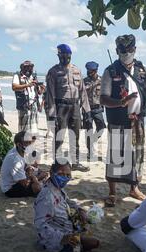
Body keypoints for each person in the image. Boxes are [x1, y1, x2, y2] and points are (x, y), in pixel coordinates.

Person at [100, 34, 146, 207]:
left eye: (129, 50)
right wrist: (121, 102)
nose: (126, 53)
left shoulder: (142, 70)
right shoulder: (110, 71)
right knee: (116, 156)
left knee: (137, 155)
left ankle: (134, 188)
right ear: (117, 51)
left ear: (135, 49)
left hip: (137, 120)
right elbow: (103, 99)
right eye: (122, 50)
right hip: (117, 120)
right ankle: (112, 191)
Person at [34, 159, 100, 252]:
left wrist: (80, 209)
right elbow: (40, 225)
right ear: (52, 173)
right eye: (61, 174)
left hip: (66, 226)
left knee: (85, 225)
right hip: (56, 238)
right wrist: (64, 238)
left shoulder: (56, 187)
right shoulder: (46, 196)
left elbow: (67, 200)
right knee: (93, 243)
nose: (64, 178)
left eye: (68, 175)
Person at [46, 44, 93, 172]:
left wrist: (87, 111)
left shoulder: (77, 70)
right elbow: (50, 94)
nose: (65, 58)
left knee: (75, 136)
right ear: (58, 56)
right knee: (59, 136)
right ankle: (57, 163)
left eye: (67, 56)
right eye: (62, 55)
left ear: (71, 56)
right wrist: (51, 114)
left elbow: (82, 92)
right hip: (61, 106)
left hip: (75, 107)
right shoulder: (53, 72)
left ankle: (76, 162)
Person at [0, 131, 48, 198]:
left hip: (19, 179)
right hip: (10, 189)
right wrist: (37, 178)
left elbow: (27, 164)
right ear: (19, 145)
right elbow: (25, 183)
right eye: (27, 143)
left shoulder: (19, 150)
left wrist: (30, 169)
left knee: (41, 172)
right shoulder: (15, 160)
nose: (30, 145)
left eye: (30, 142)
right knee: (37, 187)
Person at [12, 61, 44, 135]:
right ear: (23, 68)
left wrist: (42, 88)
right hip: (23, 105)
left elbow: (39, 92)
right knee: (23, 128)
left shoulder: (33, 77)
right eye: (27, 68)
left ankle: (30, 142)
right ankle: (22, 143)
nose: (29, 69)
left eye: (30, 68)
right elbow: (14, 87)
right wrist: (27, 85)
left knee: (33, 127)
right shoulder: (17, 76)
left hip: (34, 105)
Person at [83, 61, 106, 161]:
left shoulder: (103, 80)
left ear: (95, 70)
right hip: (87, 108)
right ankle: (90, 152)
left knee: (101, 126)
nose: (88, 72)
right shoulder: (84, 81)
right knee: (88, 130)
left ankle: (93, 140)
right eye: (87, 70)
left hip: (98, 108)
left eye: (90, 71)